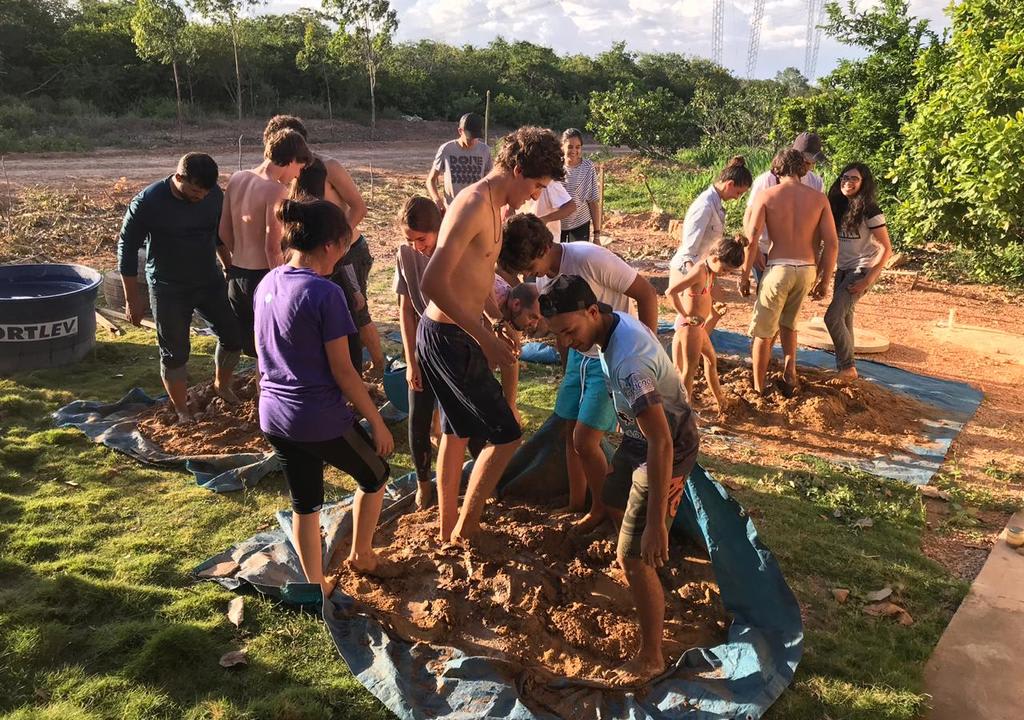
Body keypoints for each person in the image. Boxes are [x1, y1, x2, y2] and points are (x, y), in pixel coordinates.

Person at [539, 274, 699, 685]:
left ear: (593, 312)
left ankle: (651, 656)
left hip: (664, 450)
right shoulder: (612, 323)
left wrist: (654, 525)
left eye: (569, 332)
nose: (565, 343)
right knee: (610, 494)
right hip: (636, 439)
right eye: (557, 335)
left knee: (635, 554)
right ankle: (639, 557)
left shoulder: (628, 364)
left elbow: (661, 441)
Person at [418, 126, 565, 545]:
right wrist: (484, 338)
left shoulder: (496, 210)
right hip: (448, 337)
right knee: (506, 434)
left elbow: (477, 276)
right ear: (517, 170)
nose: (536, 196)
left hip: (456, 333)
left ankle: (450, 530)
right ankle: (466, 528)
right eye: (536, 185)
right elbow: (433, 283)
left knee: (455, 432)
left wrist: (497, 319)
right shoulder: (471, 205)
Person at [254, 197, 395, 601]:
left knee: (305, 503)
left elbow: (267, 349)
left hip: (275, 416)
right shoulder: (325, 293)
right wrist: (377, 420)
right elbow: (344, 371)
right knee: (376, 474)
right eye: (346, 244)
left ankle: (315, 584)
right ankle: (363, 555)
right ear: (331, 245)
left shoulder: (269, 281)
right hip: (316, 417)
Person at [501, 213, 659, 532]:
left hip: (607, 353)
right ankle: (578, 504)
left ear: (545, 246)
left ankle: (606, 511)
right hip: (577, 357)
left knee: (586, 441)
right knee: (569, 433)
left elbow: (646, 293)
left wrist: (644, 353)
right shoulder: (545, 277)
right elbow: (560, 328)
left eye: (530, 268)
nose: (529, 277)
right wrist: (566, 366)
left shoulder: (589, 258)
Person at [395, 197, 542, 510]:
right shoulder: (407, 255)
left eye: (421, 239)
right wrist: (411, 361)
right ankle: (428, 489)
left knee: (462, 424)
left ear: (439, 229)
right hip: (432, 339)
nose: (417, 246)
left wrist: (494, 324)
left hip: (457, 341)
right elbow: (407, 308)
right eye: (409, 240)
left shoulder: (460, 252)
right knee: (424, 418)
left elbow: (484, 296)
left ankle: (481, 486)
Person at [117, 153, 243, 423]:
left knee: (234, 337)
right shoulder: (148, 202)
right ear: (179, 178)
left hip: (208, 280)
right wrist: (132, 299)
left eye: (205, 192)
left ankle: (222, 384)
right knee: (175, 352)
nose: (200, 197)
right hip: (168, 286)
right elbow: (126, 251)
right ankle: (182, 409)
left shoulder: (213, 196)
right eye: (195, 191)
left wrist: (228, 267)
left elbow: (218, 235)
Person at [263, 114, 385, 378]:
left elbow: (359, 207)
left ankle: (378, 368)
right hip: (318, 256)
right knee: (328, 315)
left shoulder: (328, 167)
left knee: (357, 312)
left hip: (346, 252)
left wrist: (337, 242)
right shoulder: (290, 175)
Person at [740, 148, 838, 396]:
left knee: (763, 332)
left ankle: (758, 387)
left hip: (778, 268)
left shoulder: (767, 196)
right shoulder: (819, 199)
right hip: (806, 270)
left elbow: (752, 240)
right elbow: (832, 243)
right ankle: (790, 370)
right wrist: (825, 279)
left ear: (776, 169)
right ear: (803, 169)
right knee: (789, 323)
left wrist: (743, 275)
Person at [220, 129, 311, 356]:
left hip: (237, 275)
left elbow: (223, 231)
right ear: (290, 160)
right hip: (262, 278)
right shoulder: (276, 190)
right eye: (299, 168)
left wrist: (240, 253)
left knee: (254, 349)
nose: (297, 176)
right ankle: (268, 391)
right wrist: (282, 286)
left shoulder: (237, 178)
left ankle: (260, 390)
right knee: (271, 348)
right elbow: (272, 248)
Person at [665, 235, 748, 415]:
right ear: (715, 258)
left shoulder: (710, 272)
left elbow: (703, 297)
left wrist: (713, 312)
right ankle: (684, 411)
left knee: (711, 360)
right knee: (688, 370)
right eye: (725, 269)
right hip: (690, 327)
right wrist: (685, 314)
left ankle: (720, 400)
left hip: (697, 327)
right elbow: (671, 292)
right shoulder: (700, 271)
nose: (725, 274)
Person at [823, 163, 892, 380]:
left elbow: (886, 248)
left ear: (864, 183)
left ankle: (847, 367)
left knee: (832, 317)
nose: (848, 182)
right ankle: (845, 368)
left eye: (854, 179)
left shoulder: (870, 209)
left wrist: (868, 279)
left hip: (862, 270)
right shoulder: (838, 206)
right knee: (845, 318)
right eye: (845, 177)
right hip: (843, 269)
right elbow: (828, 244)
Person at [669, 155, 752, 334]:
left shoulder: (715, 203)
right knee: (689, 316)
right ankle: (683, 353)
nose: (737, 198)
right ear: (729, 184)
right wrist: (698, 279)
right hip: (690, 268)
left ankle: (697, 346)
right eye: (738, 193)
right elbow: (689, 250)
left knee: (714, 311)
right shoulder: (705, 206)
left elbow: (711, 240)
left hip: (705, 268)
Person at [744, 132, 827, 285]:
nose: (808, 166)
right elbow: (749, 216)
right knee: (765, 297)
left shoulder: (815, 182)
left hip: (800, 255)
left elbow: (817, 227)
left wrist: (813, 258)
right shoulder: (766, 180)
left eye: (811, 162)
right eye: (805, 160)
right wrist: (754, 250)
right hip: (764, 249)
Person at [426, 113, 493, 213]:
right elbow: (430, 181)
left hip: (476, 209)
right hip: (451, 210)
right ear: (460, 131)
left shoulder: (485, 151)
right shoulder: (446, 149)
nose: (472, 141)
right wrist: (437, 201)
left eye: (476, 137)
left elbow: (489, 182)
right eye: (469, 137)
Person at [560, 128, 601, 243]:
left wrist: (597, 235)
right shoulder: (555, 166)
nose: (574, 151)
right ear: (562, 147)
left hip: (580, 222)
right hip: (557, 223)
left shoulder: (587, 167)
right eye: (570, 147)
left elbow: (593, 201)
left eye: (577, 147)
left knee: (578, 258)